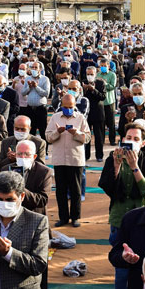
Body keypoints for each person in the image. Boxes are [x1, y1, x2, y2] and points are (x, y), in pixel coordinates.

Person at [100, 124, 145, 289]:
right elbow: (108, 187)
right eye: (128, 138)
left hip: (141, 221)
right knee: (121, 269)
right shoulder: (113, 159)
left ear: (143, 143)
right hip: (119, 220)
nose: (131, 142)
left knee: (142, 266)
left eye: (136, 139)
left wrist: (135, 168)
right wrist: (117, 167)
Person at [0, 139, 53, 289]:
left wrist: (20, 189)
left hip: (35, 226)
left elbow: (42, 200)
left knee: (39, 273)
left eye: (26, 155)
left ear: (35, 156)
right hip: (11, 225)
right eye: (19, 154)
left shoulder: (44, 172)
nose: (22, 158)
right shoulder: (7, 170)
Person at [46, 89, 90, 227]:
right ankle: (63, 217)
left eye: (71, 107)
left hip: (75, 159)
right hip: (59, 159)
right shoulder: (55, 117)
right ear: (61, 106)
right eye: (66, 107)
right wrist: (57, 132)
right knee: (61, 191)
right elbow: (48, 137)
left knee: (76, 190)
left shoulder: (80, 118)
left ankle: (75, 217)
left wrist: (76, 133)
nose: (68, 110)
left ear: (74, 106)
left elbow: (87, 138)